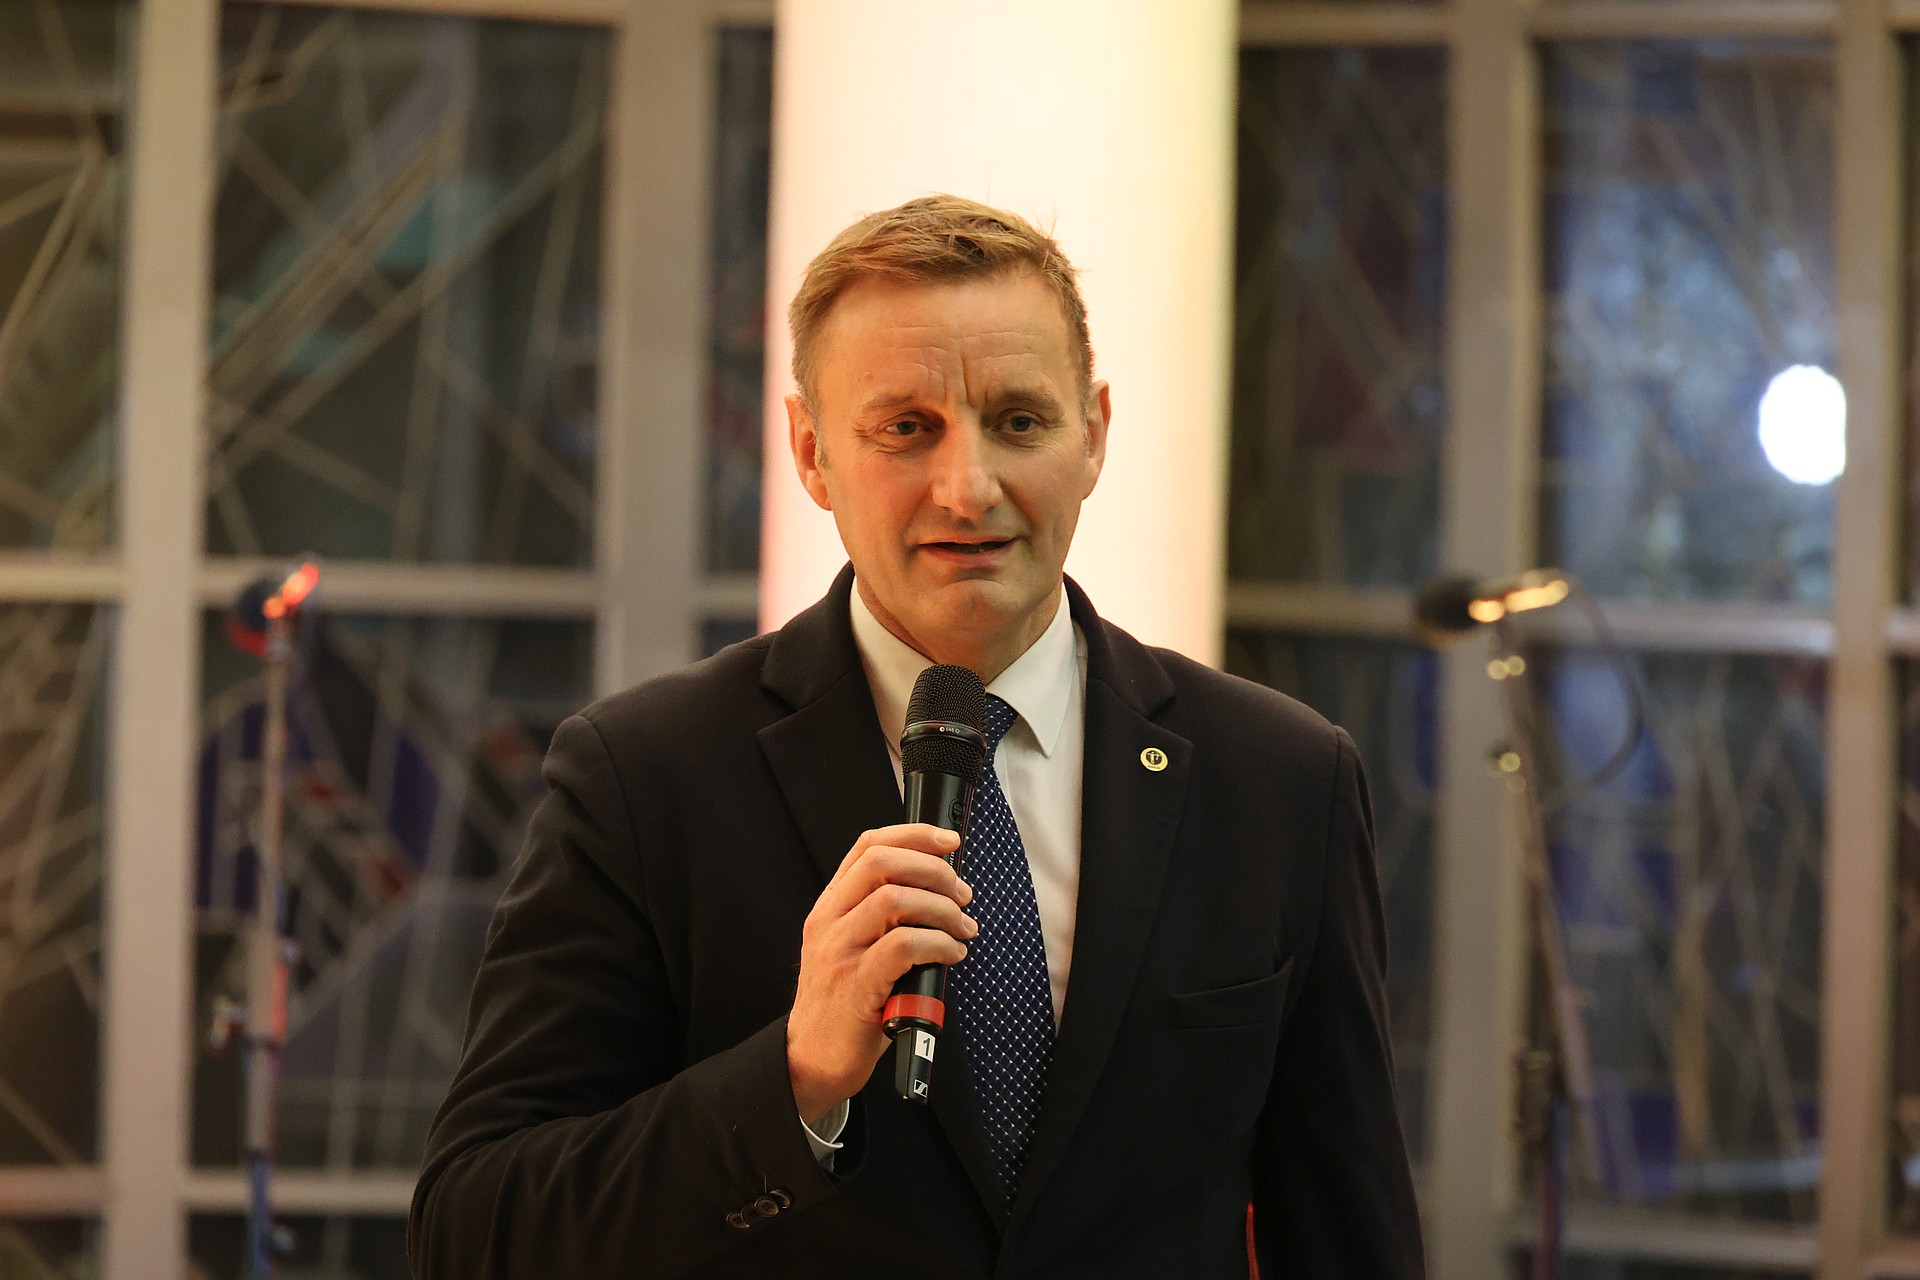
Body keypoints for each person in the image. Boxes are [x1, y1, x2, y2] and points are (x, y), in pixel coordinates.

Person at [408, 195, 1424, 1279]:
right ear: (811, 452)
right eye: (906, 428)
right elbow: (475, 1231)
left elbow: (1348, 1232)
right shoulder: (644, 776)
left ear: (1095, 434)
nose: (968, 488)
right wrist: (792, 1080)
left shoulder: (1279, 778)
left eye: (1019, 421)